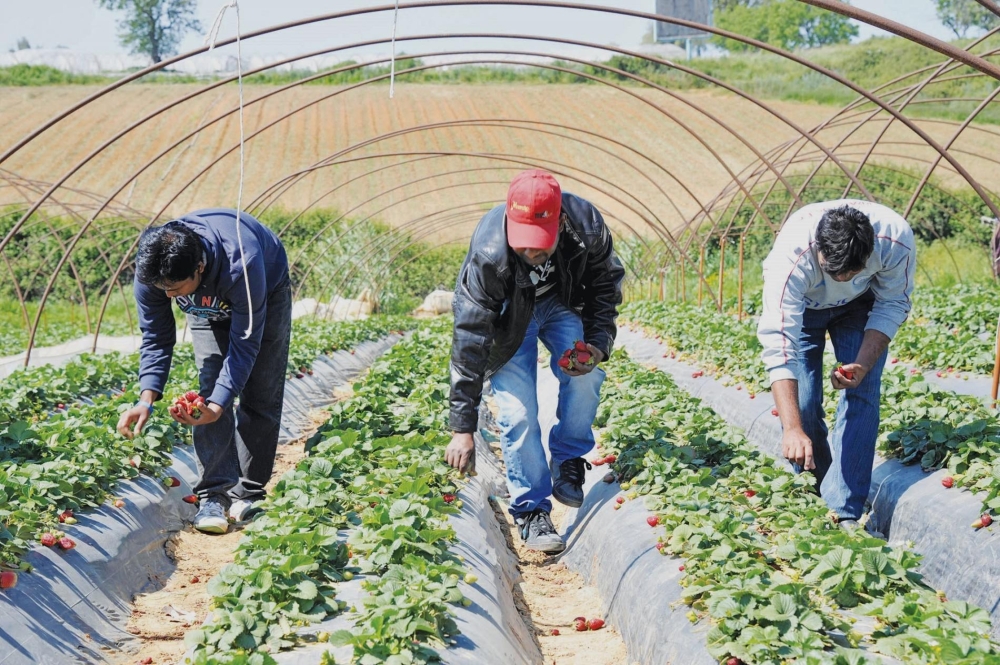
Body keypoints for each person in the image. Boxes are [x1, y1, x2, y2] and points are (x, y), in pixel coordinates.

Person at [446, 169, 625, 553]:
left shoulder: (587, 228)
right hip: (511, 318)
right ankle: (531, 511)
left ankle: (568, 460)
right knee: (517, 412)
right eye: (524, 243)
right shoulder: (490, 253)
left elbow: (604, 288)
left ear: (560, 221)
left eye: (540, 244)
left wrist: (595, 344)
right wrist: (462, 427)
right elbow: (470, 337)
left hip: (561, 304)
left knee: (585, 378)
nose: (530, 252)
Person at [116, 208, 292, 535]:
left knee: (261, 390)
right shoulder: (153, 270)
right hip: (207, 302)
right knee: (210, 388)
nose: (168, 296)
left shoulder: (244, 261)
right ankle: (214, 495)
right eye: (161, 289)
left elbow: (245, 341)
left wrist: (220, 405)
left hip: (264, 287)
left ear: (198, 267)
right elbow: (156, 336)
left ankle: (248, 492)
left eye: (175, 288)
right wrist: (146, 399)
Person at [757, 200, 915, 529]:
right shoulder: (792, 255)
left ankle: (843, 508)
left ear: (870, 251)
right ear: (819, 249)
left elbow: (893, 302)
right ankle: (817, 491)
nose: (841, 278)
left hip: (860, 306)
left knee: (864, 392)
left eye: (851, 271)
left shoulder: (895, 240)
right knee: (804, 407)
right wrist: (792, 428)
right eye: (834, 270)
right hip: (805, 312)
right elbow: (779, 339)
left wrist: (862, 362)